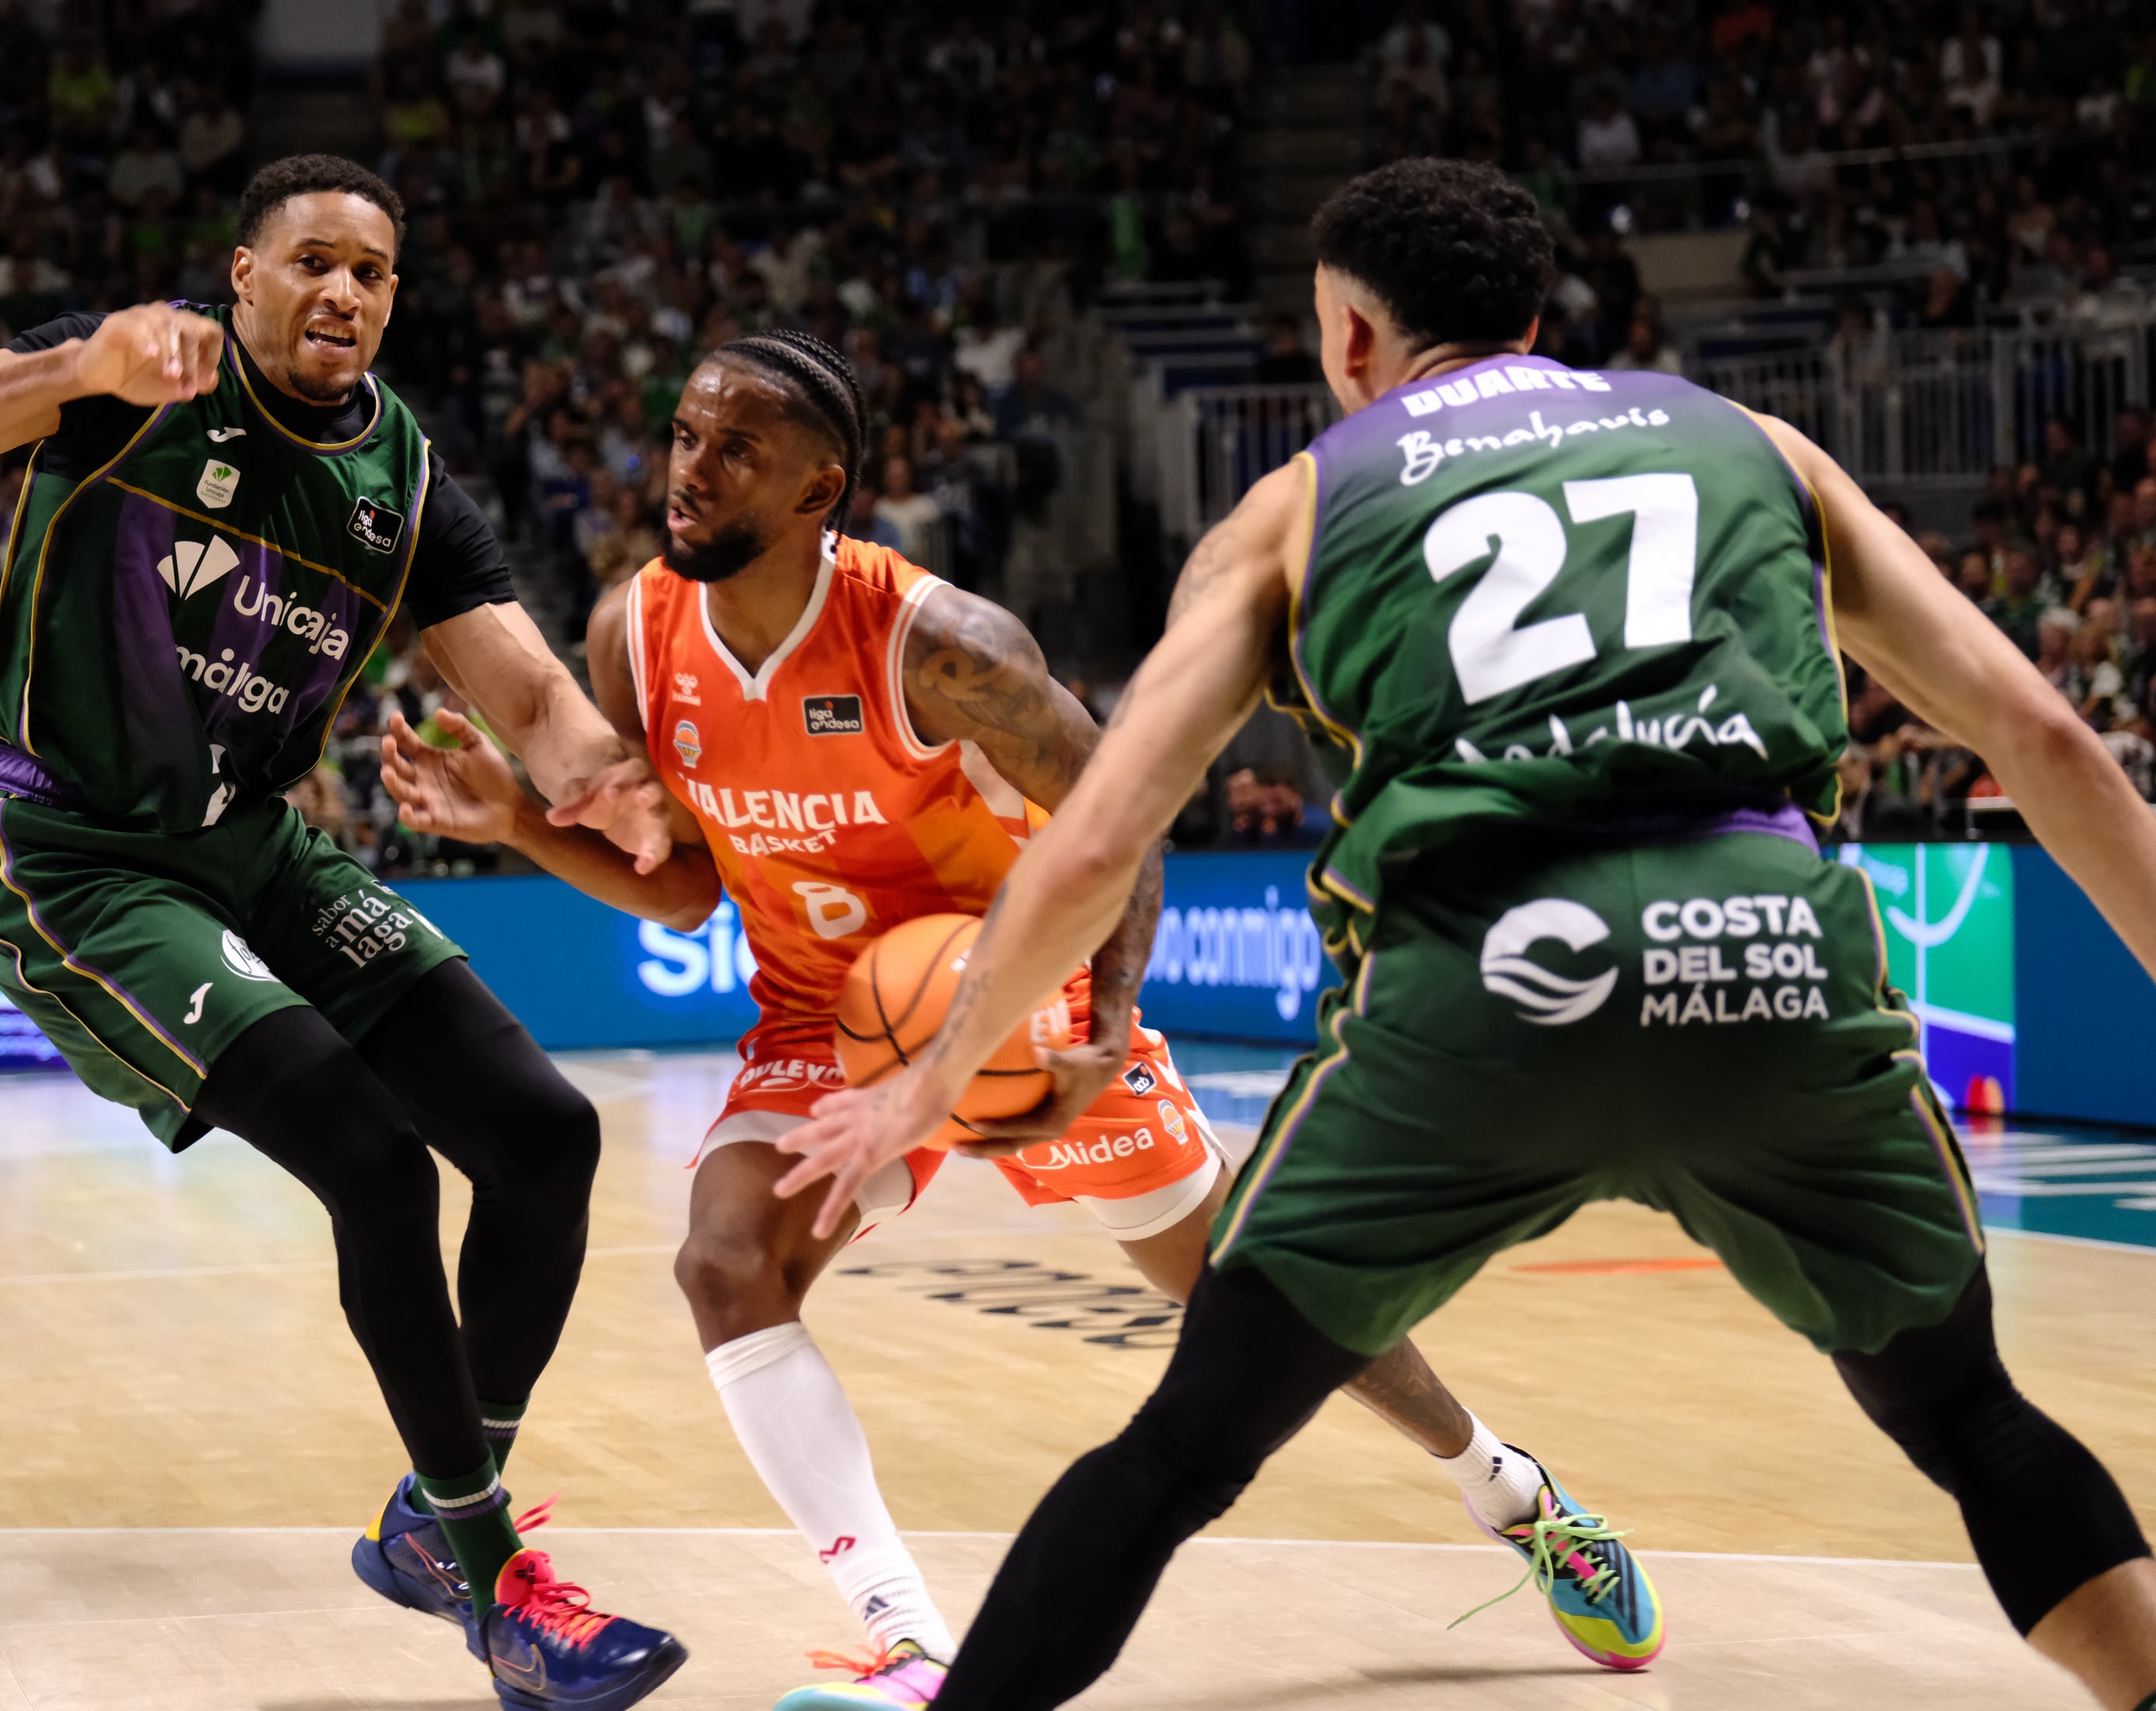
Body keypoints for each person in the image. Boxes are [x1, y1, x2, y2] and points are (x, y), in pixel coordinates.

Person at [775, 159, 2156, 1711]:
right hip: (1766, 947)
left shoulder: (1294, 506)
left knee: (1183, 1447)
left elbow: (1098, 834)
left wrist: (934, 1069)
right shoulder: (1752, 446)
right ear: (1530, 316)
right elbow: (2041, 733)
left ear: (1354, 338)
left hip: (1484, 986)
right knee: (1972, 1415)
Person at [380, 330, 1660, 1709]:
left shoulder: (946, 648)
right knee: (725, 1263)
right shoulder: (636, 630)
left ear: (822, 492)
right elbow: (688, 888)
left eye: (736, 449)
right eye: (686, 435)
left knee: (1259, 1306)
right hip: (828, 1018)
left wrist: (1104, 1026)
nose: (690, 471)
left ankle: (1511, 1492)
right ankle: (911, 1645)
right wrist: (517, 820)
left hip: (1019, 996)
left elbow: (1125, 811)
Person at [0, 153, 685, 1711]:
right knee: (371, 1157)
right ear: (242, 275)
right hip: (73, 856)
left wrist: (610, 785)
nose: (341, 290)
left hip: (256, 847)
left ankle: (443, 1508)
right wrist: (69, 363)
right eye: (312, 262)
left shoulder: (405, 478)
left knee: (545, 1133)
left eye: (370, 270)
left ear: (393, 300)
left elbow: (539, 703)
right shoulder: (138, 384)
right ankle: (497, 1585)